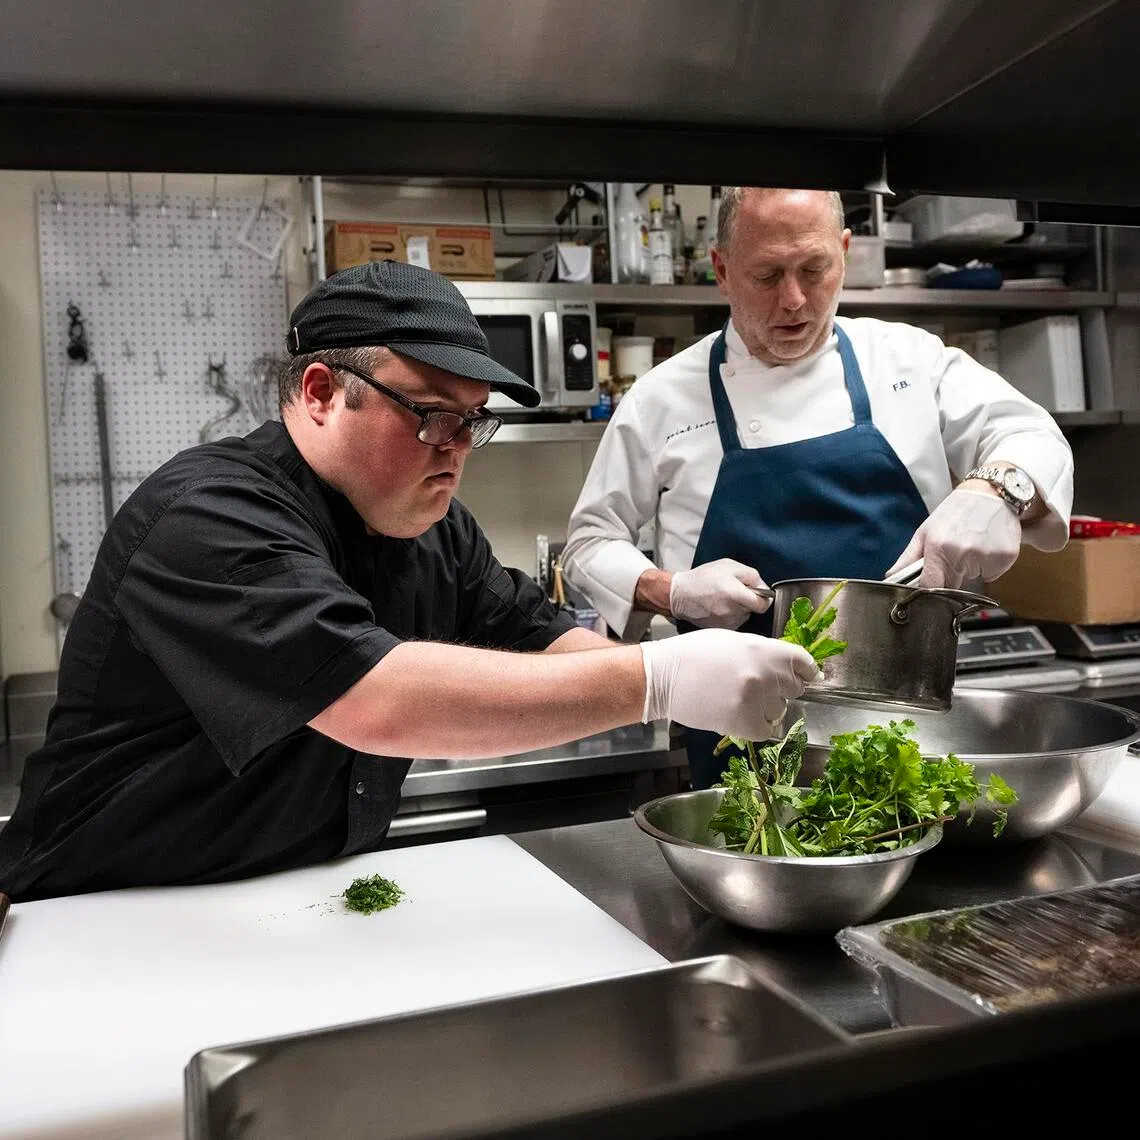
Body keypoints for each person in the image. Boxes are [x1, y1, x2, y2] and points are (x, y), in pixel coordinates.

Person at [0, 260, 820, 902]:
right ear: (321, 393)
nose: (455, 446)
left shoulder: (433, 525)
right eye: (430, 412)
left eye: (474, 419)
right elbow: (375, 697)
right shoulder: (208, 517)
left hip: (298, 902)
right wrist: (659, 678)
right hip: (105, 915)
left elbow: (543, 635)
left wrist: (688, 652)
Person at [562, 187, 1074, 789]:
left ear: (845, 252)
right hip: (740, 759)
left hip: (910, 738)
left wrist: (996, 490)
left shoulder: (909, 362)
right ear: (722, 270)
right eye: (768, 274)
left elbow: (1030, 435)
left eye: (814, 269)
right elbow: (589, 544)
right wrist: (670, 590)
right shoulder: (661, 398)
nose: (795, 299)